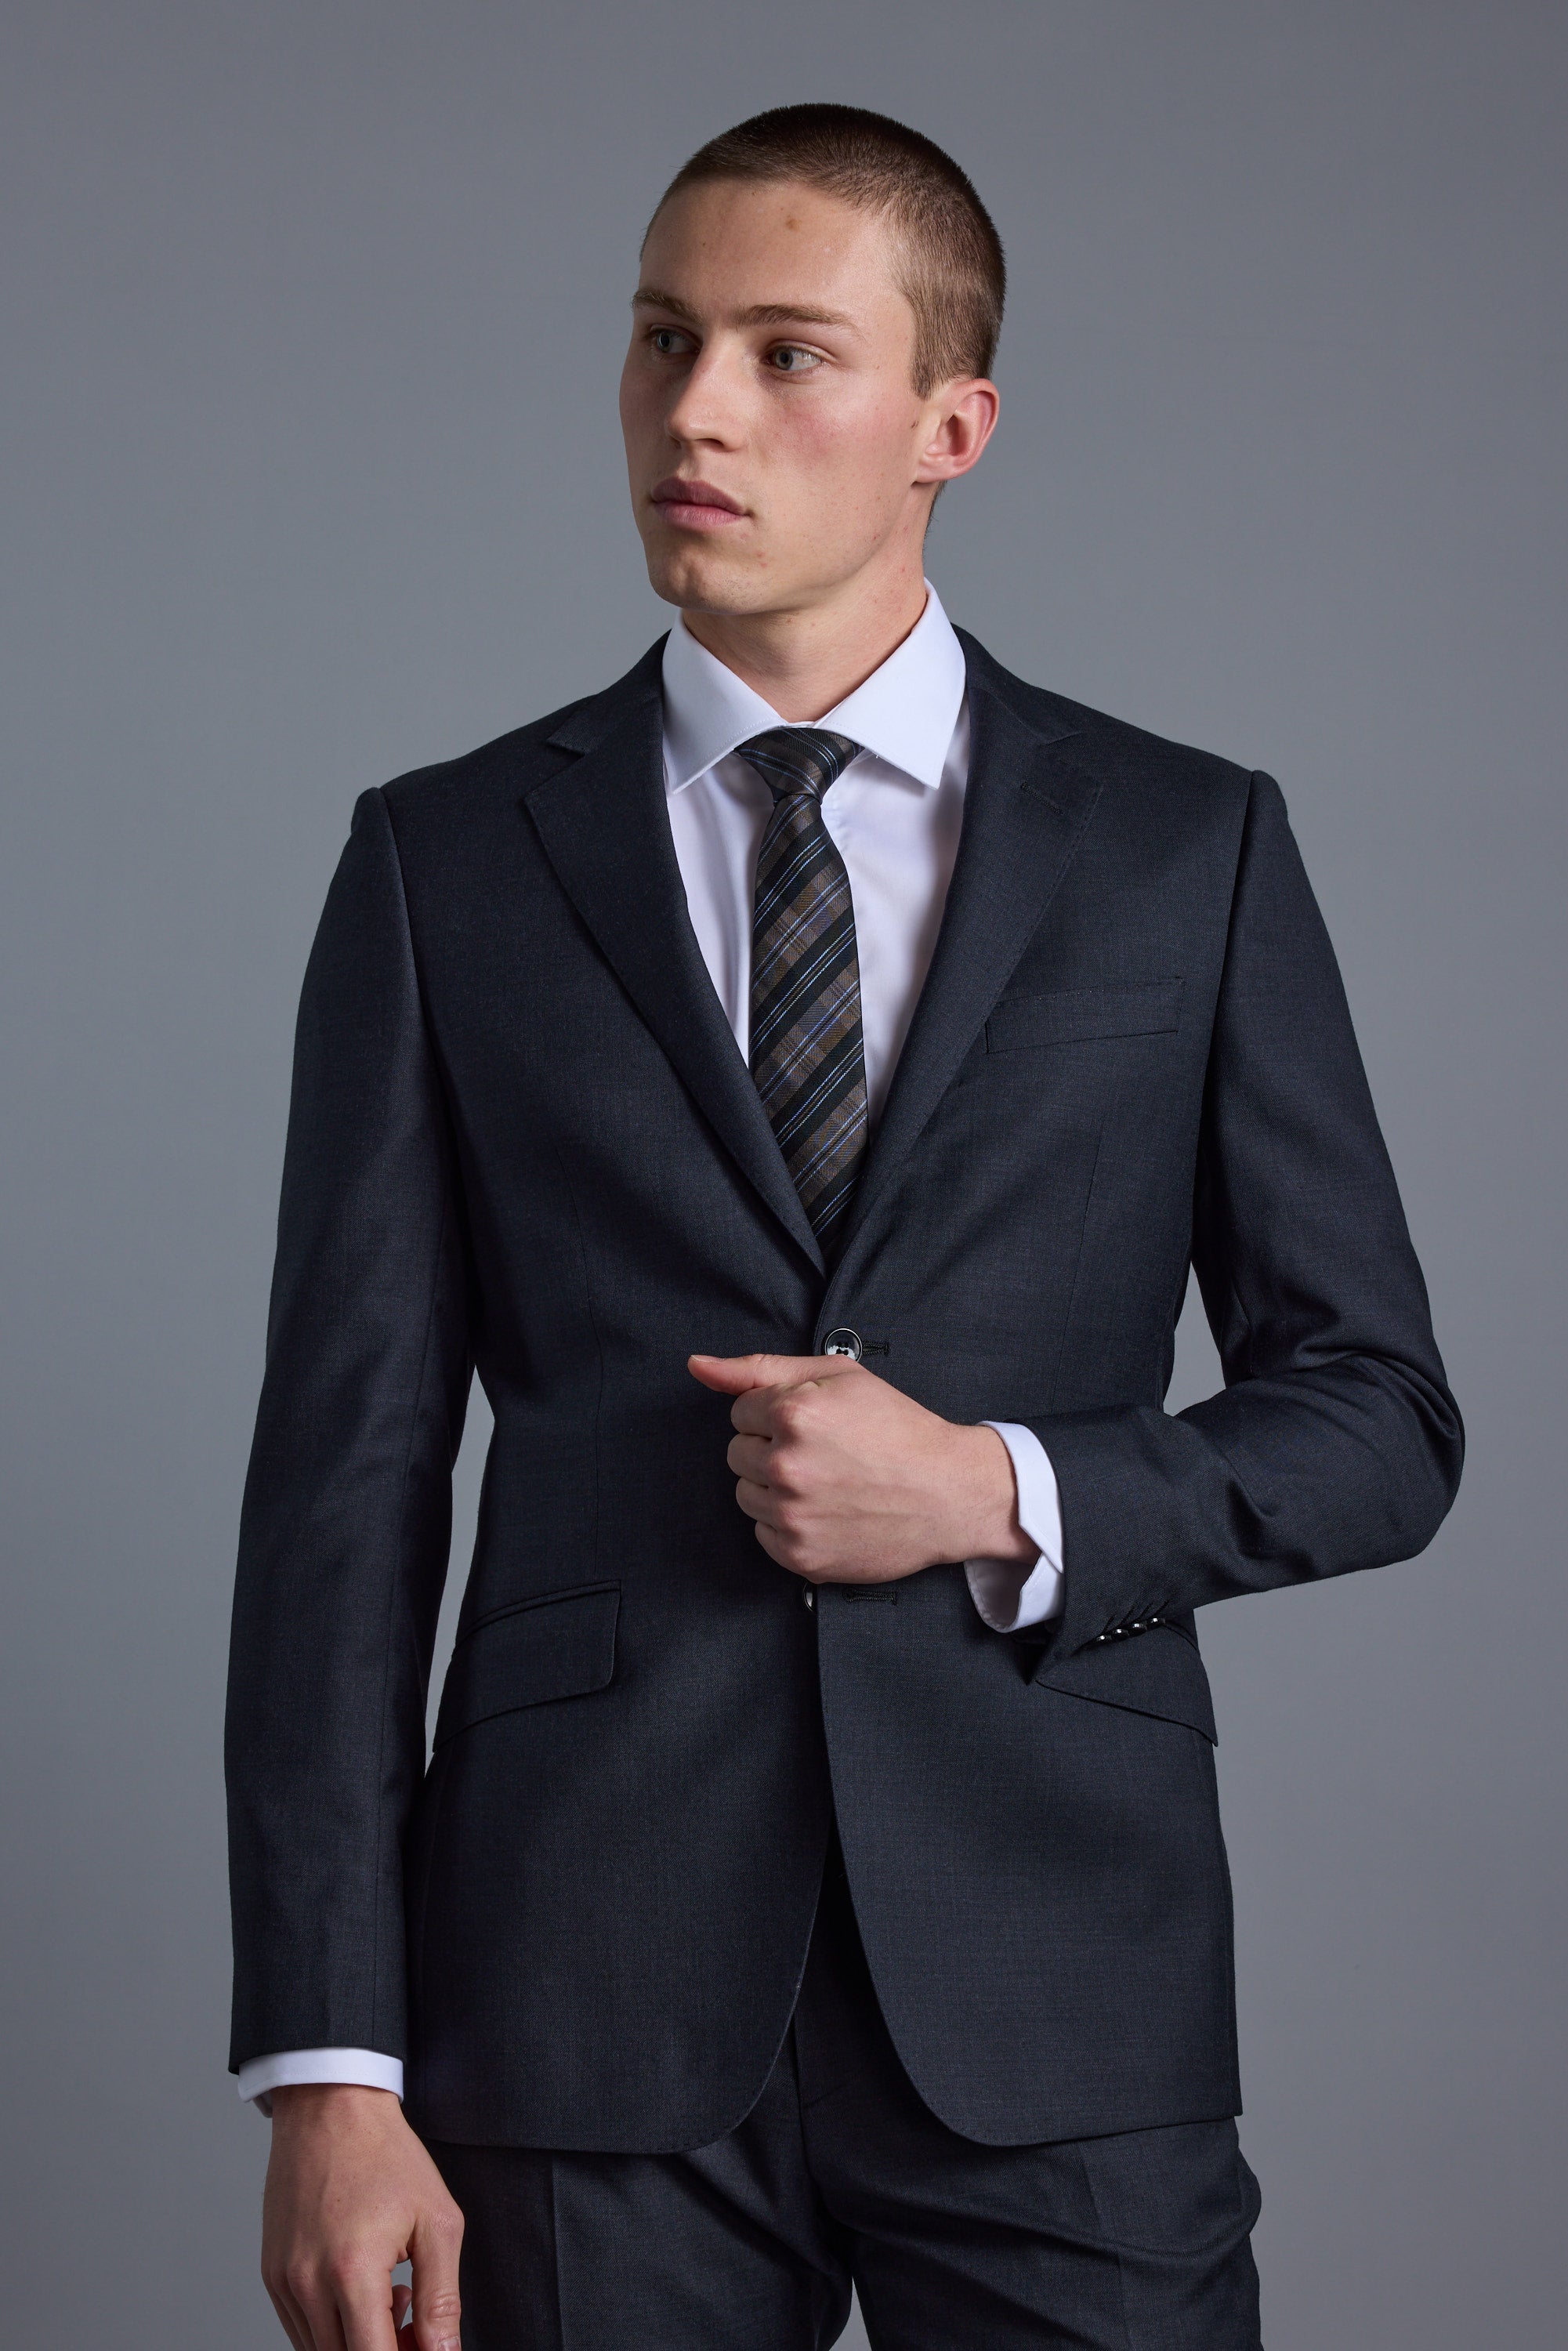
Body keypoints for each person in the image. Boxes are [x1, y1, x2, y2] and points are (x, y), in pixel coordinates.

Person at [226, 103, 1462, 2351]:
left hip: (1058, 1991)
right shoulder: (444, 866)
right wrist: (332, 2066)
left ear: (947, 425)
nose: (695, 407)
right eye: (660, 339)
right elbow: (343, 1490)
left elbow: (1378, 1419)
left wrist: (996, 1490)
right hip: (573, 2019)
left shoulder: (1185, 851)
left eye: (788, 352)